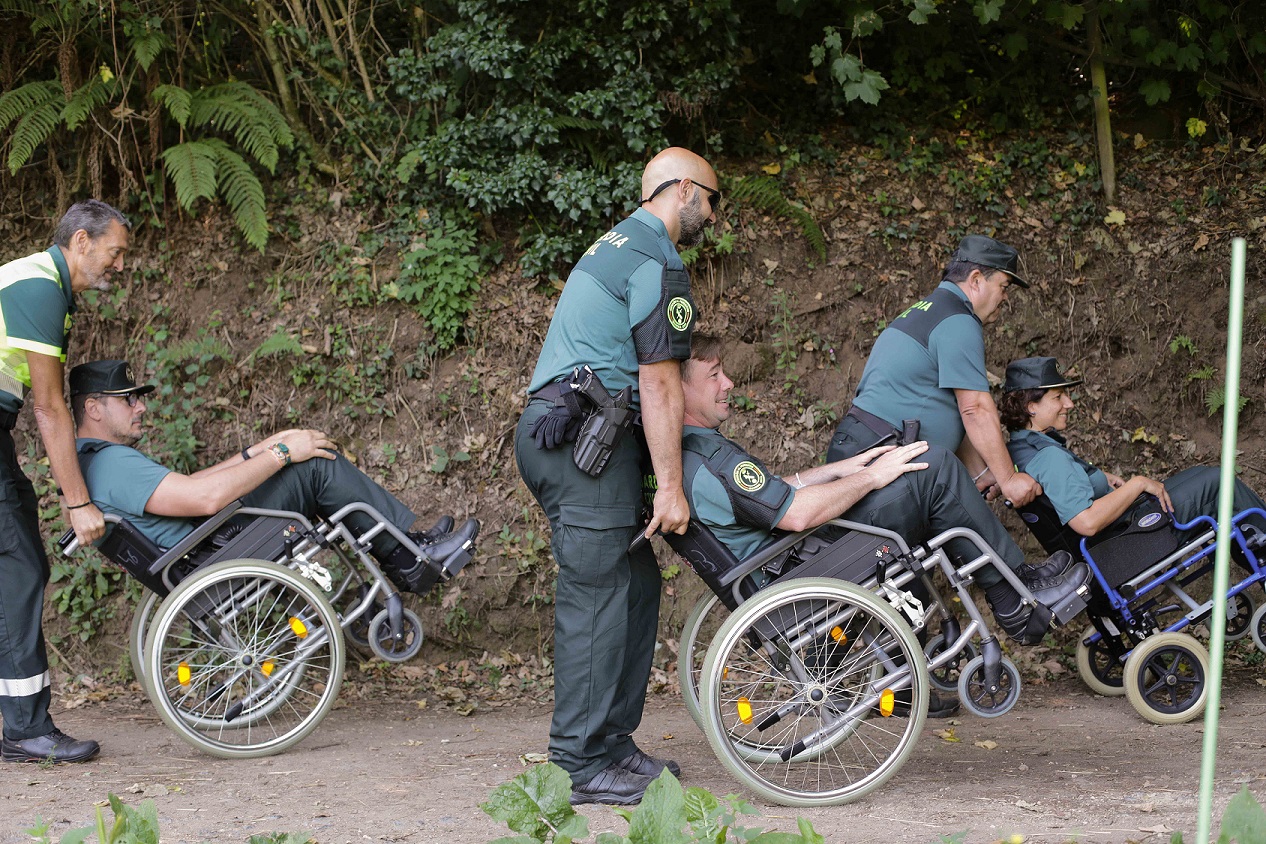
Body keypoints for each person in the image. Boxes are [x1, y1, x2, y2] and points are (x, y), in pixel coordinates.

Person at [514, 147, 718, 805]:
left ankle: (611, 745)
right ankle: (577, 766)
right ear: (683, 190)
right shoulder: (656, 259)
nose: (712, 214)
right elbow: (659, 383)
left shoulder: (616, 245)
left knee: (632, 584)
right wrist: (671, 486)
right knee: (597, 591)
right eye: (712, 198)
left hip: (578, 436)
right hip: (580, 444)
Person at [679, 336, 1091, 654]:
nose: (728, 383)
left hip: (783, 567)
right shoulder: (712, 457)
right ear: (678, 391)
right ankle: (1014, 600)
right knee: (937, 470)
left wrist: (840, 469)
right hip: (804, 566)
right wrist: (873, 477)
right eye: (714, 375)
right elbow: (796, 515)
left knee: (919, 474)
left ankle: (1014, 585)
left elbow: (771, 496)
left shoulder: (687, 457)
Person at [68, 360, 477, 595]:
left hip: (203, 546)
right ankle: (410, 558)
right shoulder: (113, 464)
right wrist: (283, 454)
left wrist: (257, 451)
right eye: (128, 399)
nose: (140, 407)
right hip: (216, 548)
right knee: (318, 464)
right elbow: (204, 498)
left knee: (307, 457)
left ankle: (409, 546)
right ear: (94, 408)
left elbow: (189, 487)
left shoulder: (95, 464)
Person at [1, 200, 131, 765]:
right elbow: (50, 409)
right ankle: (26, 728)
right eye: (116, 251)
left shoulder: (41, 285)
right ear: (81, 241)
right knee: (20, 564)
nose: (120, 264)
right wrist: (78, 501)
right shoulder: (38, 289)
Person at [825, 235, 1042, 509]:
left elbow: (941, 407)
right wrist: (1009, 477)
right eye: (1003, 286)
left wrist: (983, 472)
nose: (1005, 297)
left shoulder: (927, 311)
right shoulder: (958, 321)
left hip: (863, 445)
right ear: (976, 280)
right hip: (881, 453)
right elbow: (974, 408)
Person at [1000, 356, 1266, 540]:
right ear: (1030, 406)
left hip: (1124, 529)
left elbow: (1063, 486)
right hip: (1130, 538)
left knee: (1201, 474)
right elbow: (1087, 522)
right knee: (1218, 482)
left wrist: (1098, 477)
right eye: (1058, 397)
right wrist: (1136, 484)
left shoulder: (1024, 447)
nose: (1069, 404)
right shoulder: (1047, 458)